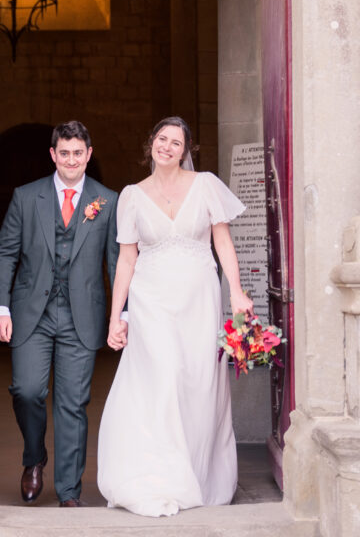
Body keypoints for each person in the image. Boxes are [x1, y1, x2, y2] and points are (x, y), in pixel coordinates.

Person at [96, 116, 254, 517]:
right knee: (161, 378)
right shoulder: (132, 196)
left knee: (197, 383)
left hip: (199, 299)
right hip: (151, 301)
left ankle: (197, 473)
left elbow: (222, 242)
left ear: (186, 150)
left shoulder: (206, 185)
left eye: (176, 142)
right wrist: (116, 316)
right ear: (151, 142)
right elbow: (126, 260)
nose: (167, 146)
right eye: (162, 139)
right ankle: (161, 476)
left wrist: (236, 291)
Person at [0, 120, 121, 507]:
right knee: (27, 391)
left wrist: (122, 315)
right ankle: (34, 458)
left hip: (83, 316)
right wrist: (0, 307)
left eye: (78, 153)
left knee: (72, 404)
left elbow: (117, 263)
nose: (71, 160)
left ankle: (69, 491)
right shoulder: (26, 197)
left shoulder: (108, 201)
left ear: (89, 154)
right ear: (53, 154)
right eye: (64, 153)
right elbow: (6, 253)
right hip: (32, 313)